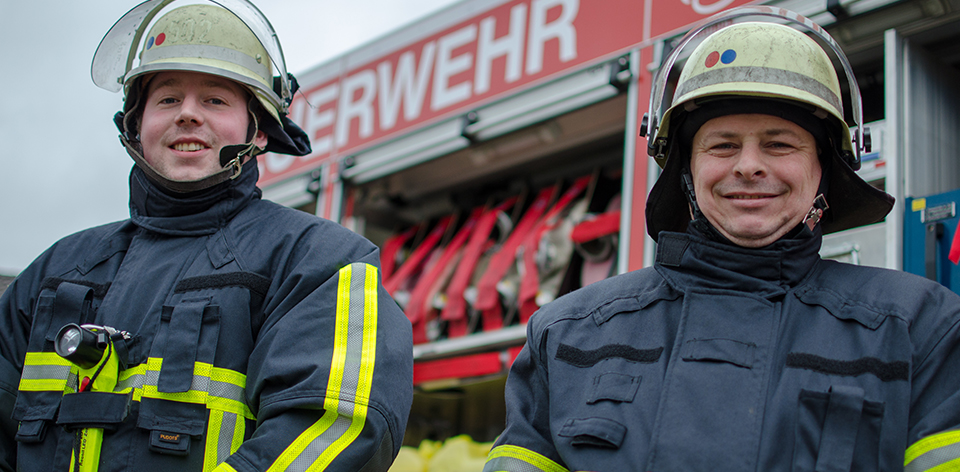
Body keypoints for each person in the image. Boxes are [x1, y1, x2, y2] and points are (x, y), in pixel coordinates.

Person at [483, 6, 960, 472]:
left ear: (825, 171)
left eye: (779, 144)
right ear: (686, 171)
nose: (748, 165)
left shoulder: (920, 328)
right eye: (723, 144)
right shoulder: (565, 335)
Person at [0, 1, 413, 471]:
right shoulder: (54, 272)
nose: (188, 115)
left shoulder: (320, 261)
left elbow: (335, 430)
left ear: (258, 133)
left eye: (215, 100)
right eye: (168, 99)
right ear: (135, 127)